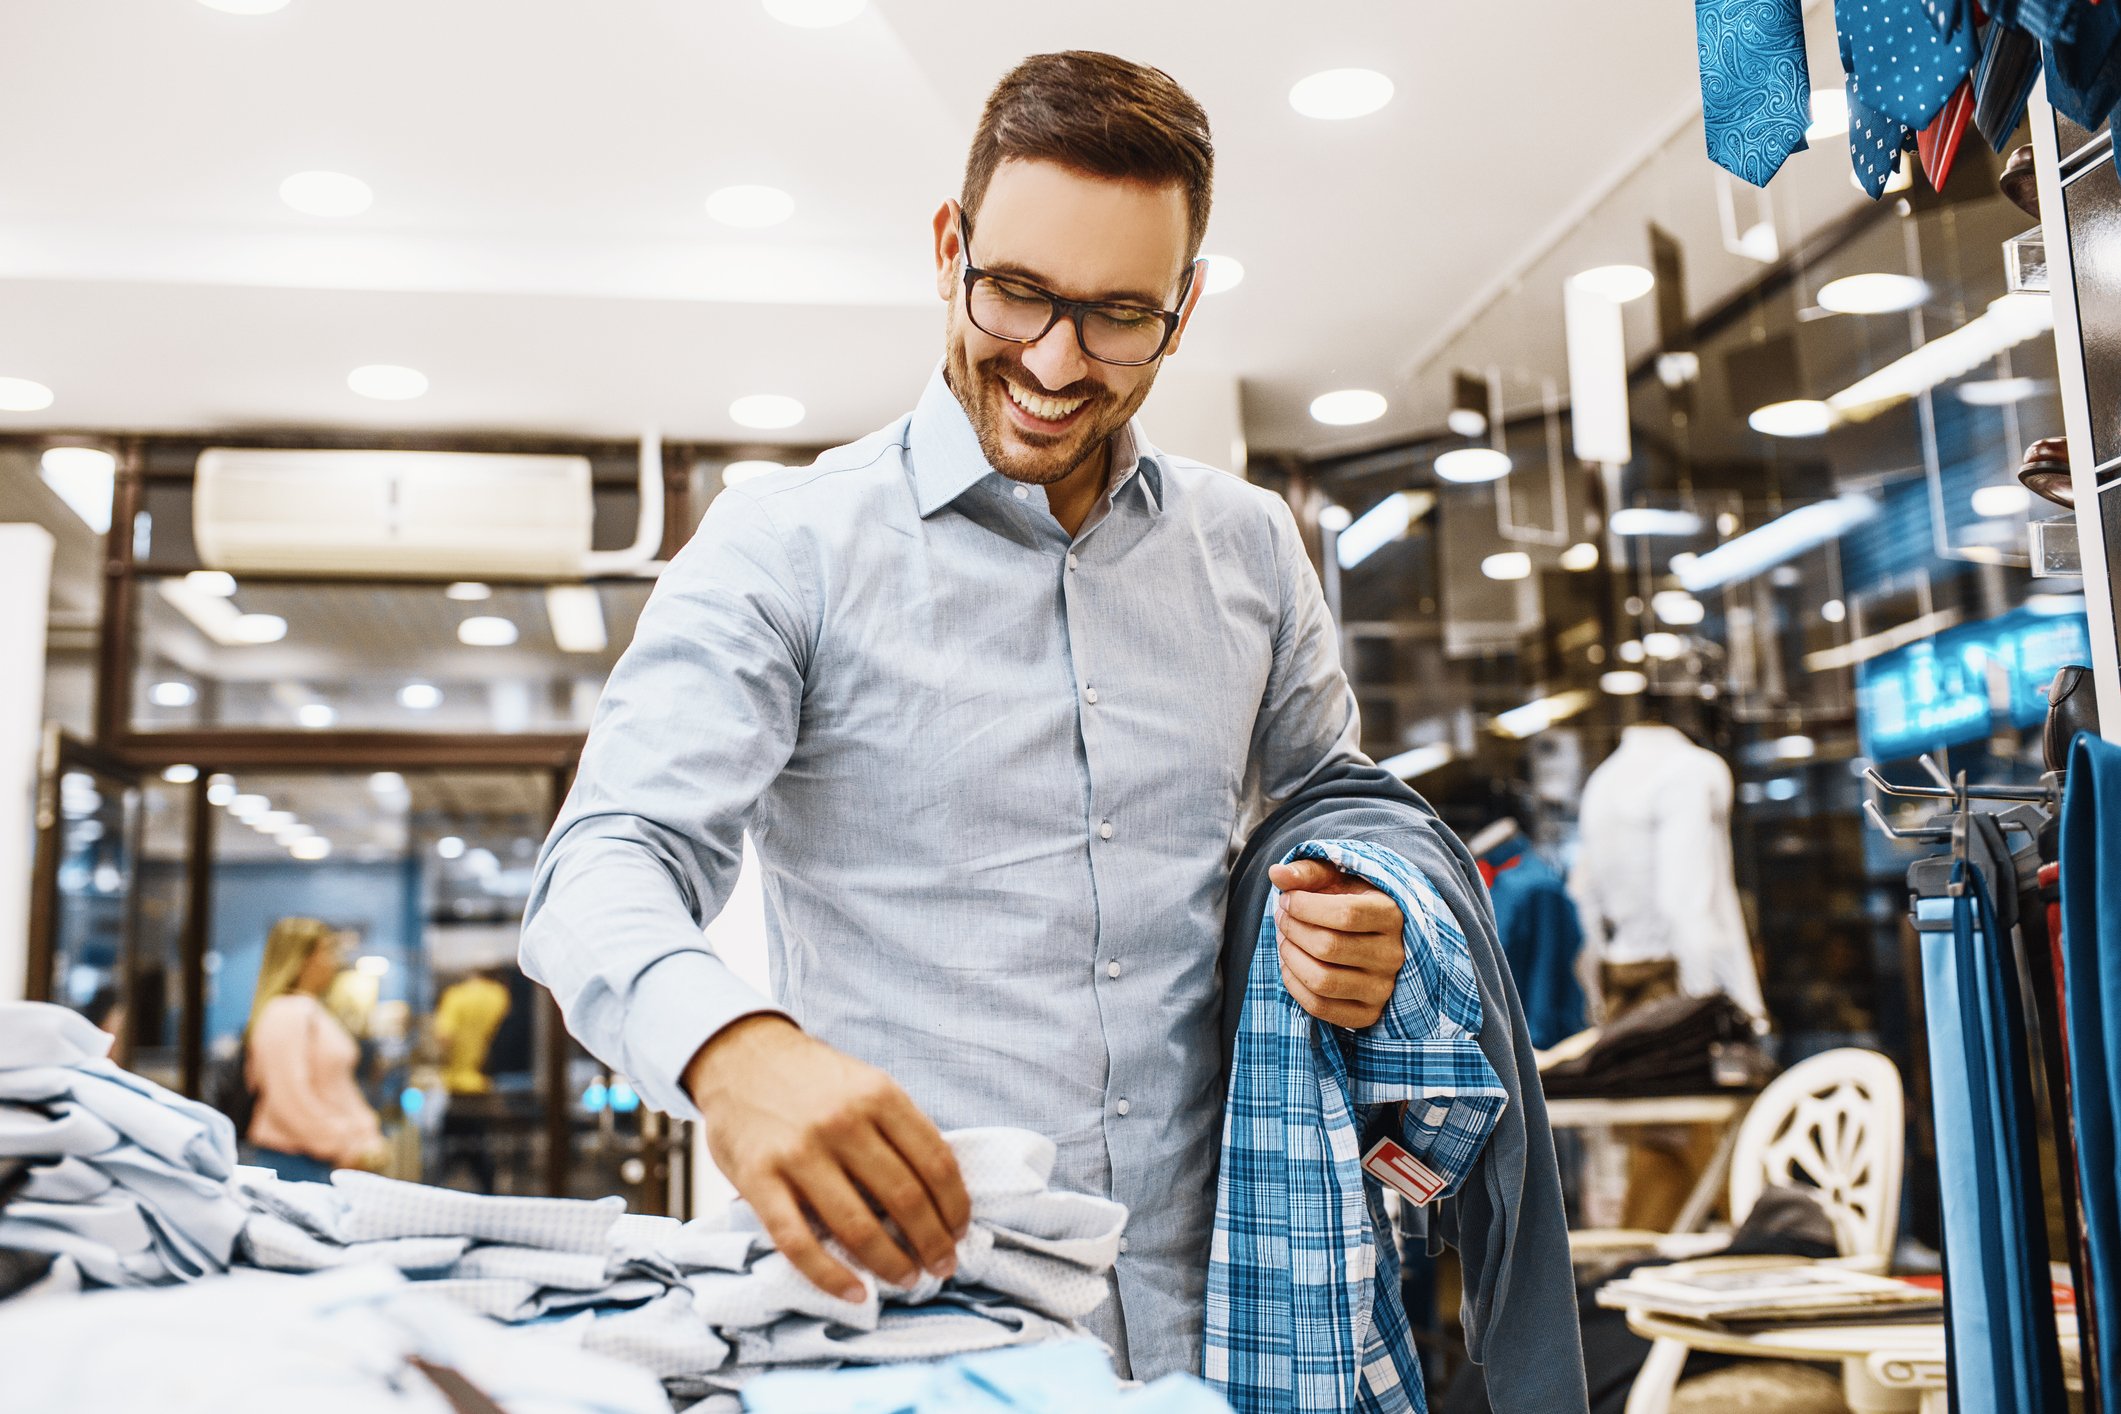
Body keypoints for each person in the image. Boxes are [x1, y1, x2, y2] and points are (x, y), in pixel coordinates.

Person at [523, 51, 1413, 1379]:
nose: (1057, 361)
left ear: (1186, 304)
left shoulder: (1251, 549)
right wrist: (732, 1046)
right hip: (919, 1333)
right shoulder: (787, 546)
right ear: (950, 246)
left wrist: (1375, 924)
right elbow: (601, 864)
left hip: (1238, 1321)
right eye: (1018, 294)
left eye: (1119, 314)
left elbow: (1342, 817)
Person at [244, 918, 385, 1183]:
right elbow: (289, 1098)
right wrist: (346, 1146)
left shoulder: (312, 1010)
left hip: (323, 1160)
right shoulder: (286, 1012)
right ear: (304, 958)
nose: (336, 960)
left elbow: (338, 1089)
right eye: (328, 950)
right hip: (297, 1164)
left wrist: (366, 1135)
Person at [433, 967, 513, 1192]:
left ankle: (444, 1190)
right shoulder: (499, 995)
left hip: (459, 1083)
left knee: (456, 1146)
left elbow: (443, 1036)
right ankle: (486, 1192)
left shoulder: (456, 996)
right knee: (475, 1143)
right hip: (487, 1082)